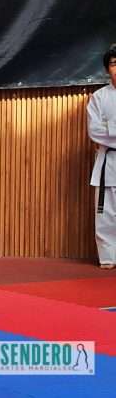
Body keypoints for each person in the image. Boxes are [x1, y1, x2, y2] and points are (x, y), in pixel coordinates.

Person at [87, 43, 116, 269]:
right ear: (107, 69)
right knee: (106, 214)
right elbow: (95, 131)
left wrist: (110, 127)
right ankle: (108, 258)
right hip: (109, 162)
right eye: (114, 63)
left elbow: (105, 130)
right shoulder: (99, 97)